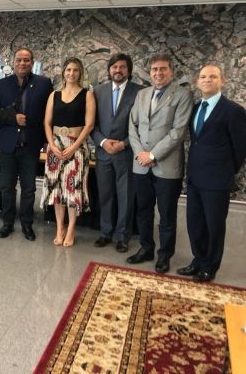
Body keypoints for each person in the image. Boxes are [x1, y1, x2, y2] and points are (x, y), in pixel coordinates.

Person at [177, 65, 246, 282]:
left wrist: (226, 170)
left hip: (217, 180)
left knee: (214, 226)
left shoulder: (233, 111)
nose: (207, 80)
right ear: (198, 82)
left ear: (222, 81)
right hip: (195, 176)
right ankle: (198, 260)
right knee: (195, 223)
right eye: (203, 77)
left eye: (213, 76)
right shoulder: (196, 107)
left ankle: (210, 266)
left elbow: (240, 148)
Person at [127, 53, 192, 273]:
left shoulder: (182, 95)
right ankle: (146, 248)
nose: (158, 73)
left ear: (171, 72)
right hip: (140, 165)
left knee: (166, 215)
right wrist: (140, 153)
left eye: (163, 69)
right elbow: (132, 126)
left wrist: (152, 155)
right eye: (155, 69)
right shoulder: (142, 94)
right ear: (150, 72)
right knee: (143, 210)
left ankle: (164, 255)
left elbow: (178, 132)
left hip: (166, 167)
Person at [0, 48, 53, 241]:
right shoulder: (1, 85)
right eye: (19, 60)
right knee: (7, 187)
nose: (22, 63)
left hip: (31, 145)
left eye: (26, 60)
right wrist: (13, 118)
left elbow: (49, 114)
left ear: (32, 62)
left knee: (29, 188)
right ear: (13, 62)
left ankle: (27, 224)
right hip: (8, 145)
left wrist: (46, 141)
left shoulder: (44, 84)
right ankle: (7, 223)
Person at [91, 54, 144, 253]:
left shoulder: (140, 92)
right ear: (109, 70)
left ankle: (122, 236)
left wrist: (124, 144)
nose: (118, 70)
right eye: (114, 67)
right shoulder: (98, 92)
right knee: (105, 195)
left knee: (125, 197)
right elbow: (92, 124)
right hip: (103, 153)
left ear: (129, 70)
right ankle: (105, 232)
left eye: (122, 67)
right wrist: (103, 142)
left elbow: (142, 126)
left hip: (126, 154)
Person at [42, 57, 95, 247]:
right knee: (57, 190)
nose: (71, 73)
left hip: (77, 146)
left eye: (75, 70)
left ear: (80, 73)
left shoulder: (87, 95)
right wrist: (52, 144)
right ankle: (59, 228)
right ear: (63, 73)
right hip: (55, 146)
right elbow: (47, 122)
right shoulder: (54, 95)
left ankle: (71, 227)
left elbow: (89, 125)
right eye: (68, 70)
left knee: (73, 190)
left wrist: (74, 146)